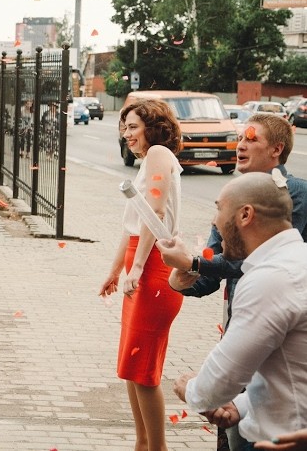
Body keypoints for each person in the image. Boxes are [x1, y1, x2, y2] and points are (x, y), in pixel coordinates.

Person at [162, 114, 307, 450]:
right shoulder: (239, 203)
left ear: (245, 214)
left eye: (251, 138)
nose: (215, 222)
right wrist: (181, 278)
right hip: (249, 346)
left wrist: (191, 388)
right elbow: (214, 268)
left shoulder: (289, 198)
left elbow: (215, 384)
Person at [98, 98, 184, 451]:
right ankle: (142, 443)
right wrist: (114, 271)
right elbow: (132, 227)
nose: (127, 134)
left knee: (144, 370)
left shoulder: (159, 154)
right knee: (132, 367)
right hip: (141, 262)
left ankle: (156, 447)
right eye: (124, 128)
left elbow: (156, 212)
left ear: (153, 127)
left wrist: (135, 268)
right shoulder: (148, 160)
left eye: (133, 127)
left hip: (154, 268)